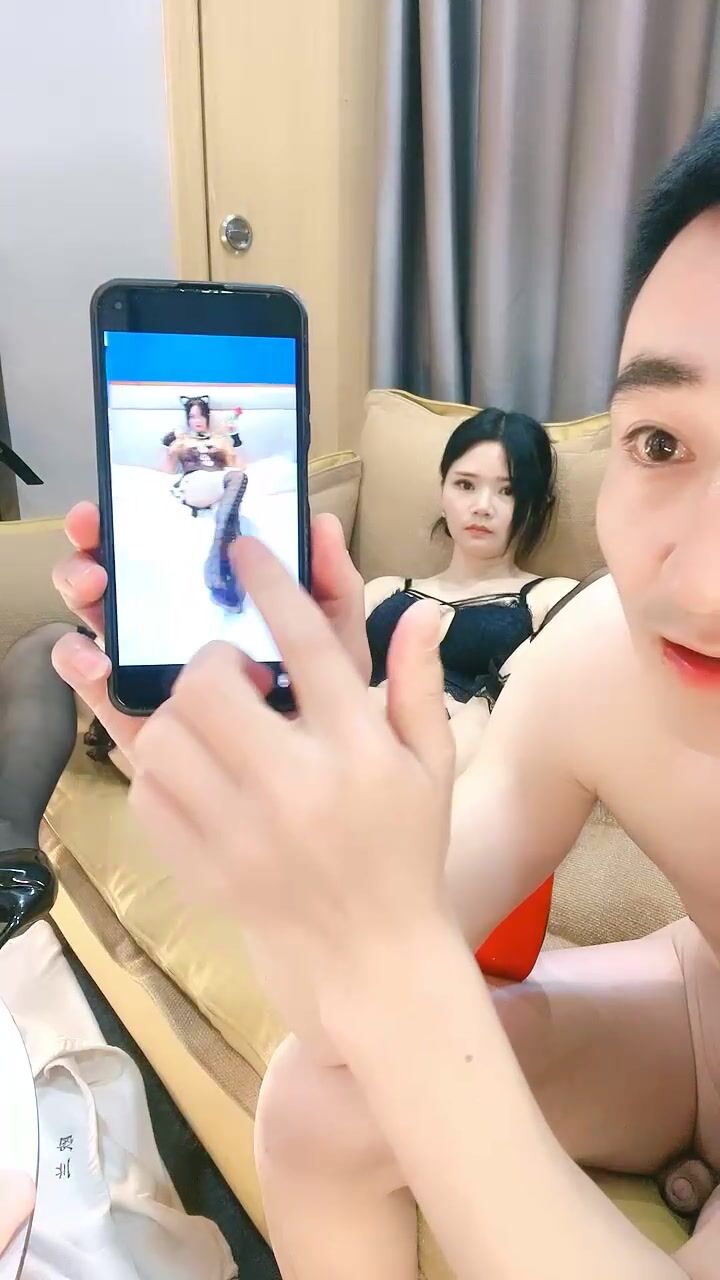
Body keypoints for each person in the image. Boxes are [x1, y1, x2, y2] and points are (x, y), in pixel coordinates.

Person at [51, 109, 720, 1280]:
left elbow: (401, 985)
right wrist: (284, 801)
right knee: (322, 1099)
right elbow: (335, 1006)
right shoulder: (599, 663)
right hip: (699, 1012)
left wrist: (410, 985)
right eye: (661, 442)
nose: (700, 584)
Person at [365, 409, 576, 774]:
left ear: (538, 507)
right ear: (442, 492)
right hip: (356, 747)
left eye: (508, 491)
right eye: (465, 485)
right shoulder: (383, 590)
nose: (482, 506)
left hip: (454, 773)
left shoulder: (553, 598)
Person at [162, 396, 246, 514]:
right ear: (188, 420)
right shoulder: (183, 441)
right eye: (192, 417)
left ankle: (225, 523)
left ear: (207, 417)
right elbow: (167, 472)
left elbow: (238, 467)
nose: (198, 421)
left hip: (218, 485)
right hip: (193, 485)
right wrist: (172, 445)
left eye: (201, 416)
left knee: (228, 509)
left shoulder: (220, 440)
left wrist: (234, 436)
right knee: (235, 479)